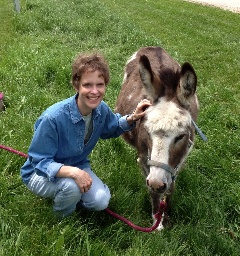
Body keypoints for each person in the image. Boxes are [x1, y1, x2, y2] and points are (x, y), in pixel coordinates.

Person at [20, 52, 151, 218]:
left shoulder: (100, 109)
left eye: (100, 84)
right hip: (39, 174)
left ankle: (71, 197)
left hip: (77, 165)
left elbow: (111, 127)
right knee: (71, 187)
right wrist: (74, 173)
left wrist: (133, 117)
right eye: (87, 85)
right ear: (76, 85)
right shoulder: (52, 118)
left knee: (101, 201)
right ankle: (61, 219)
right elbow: (39, 160)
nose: (94, 91)